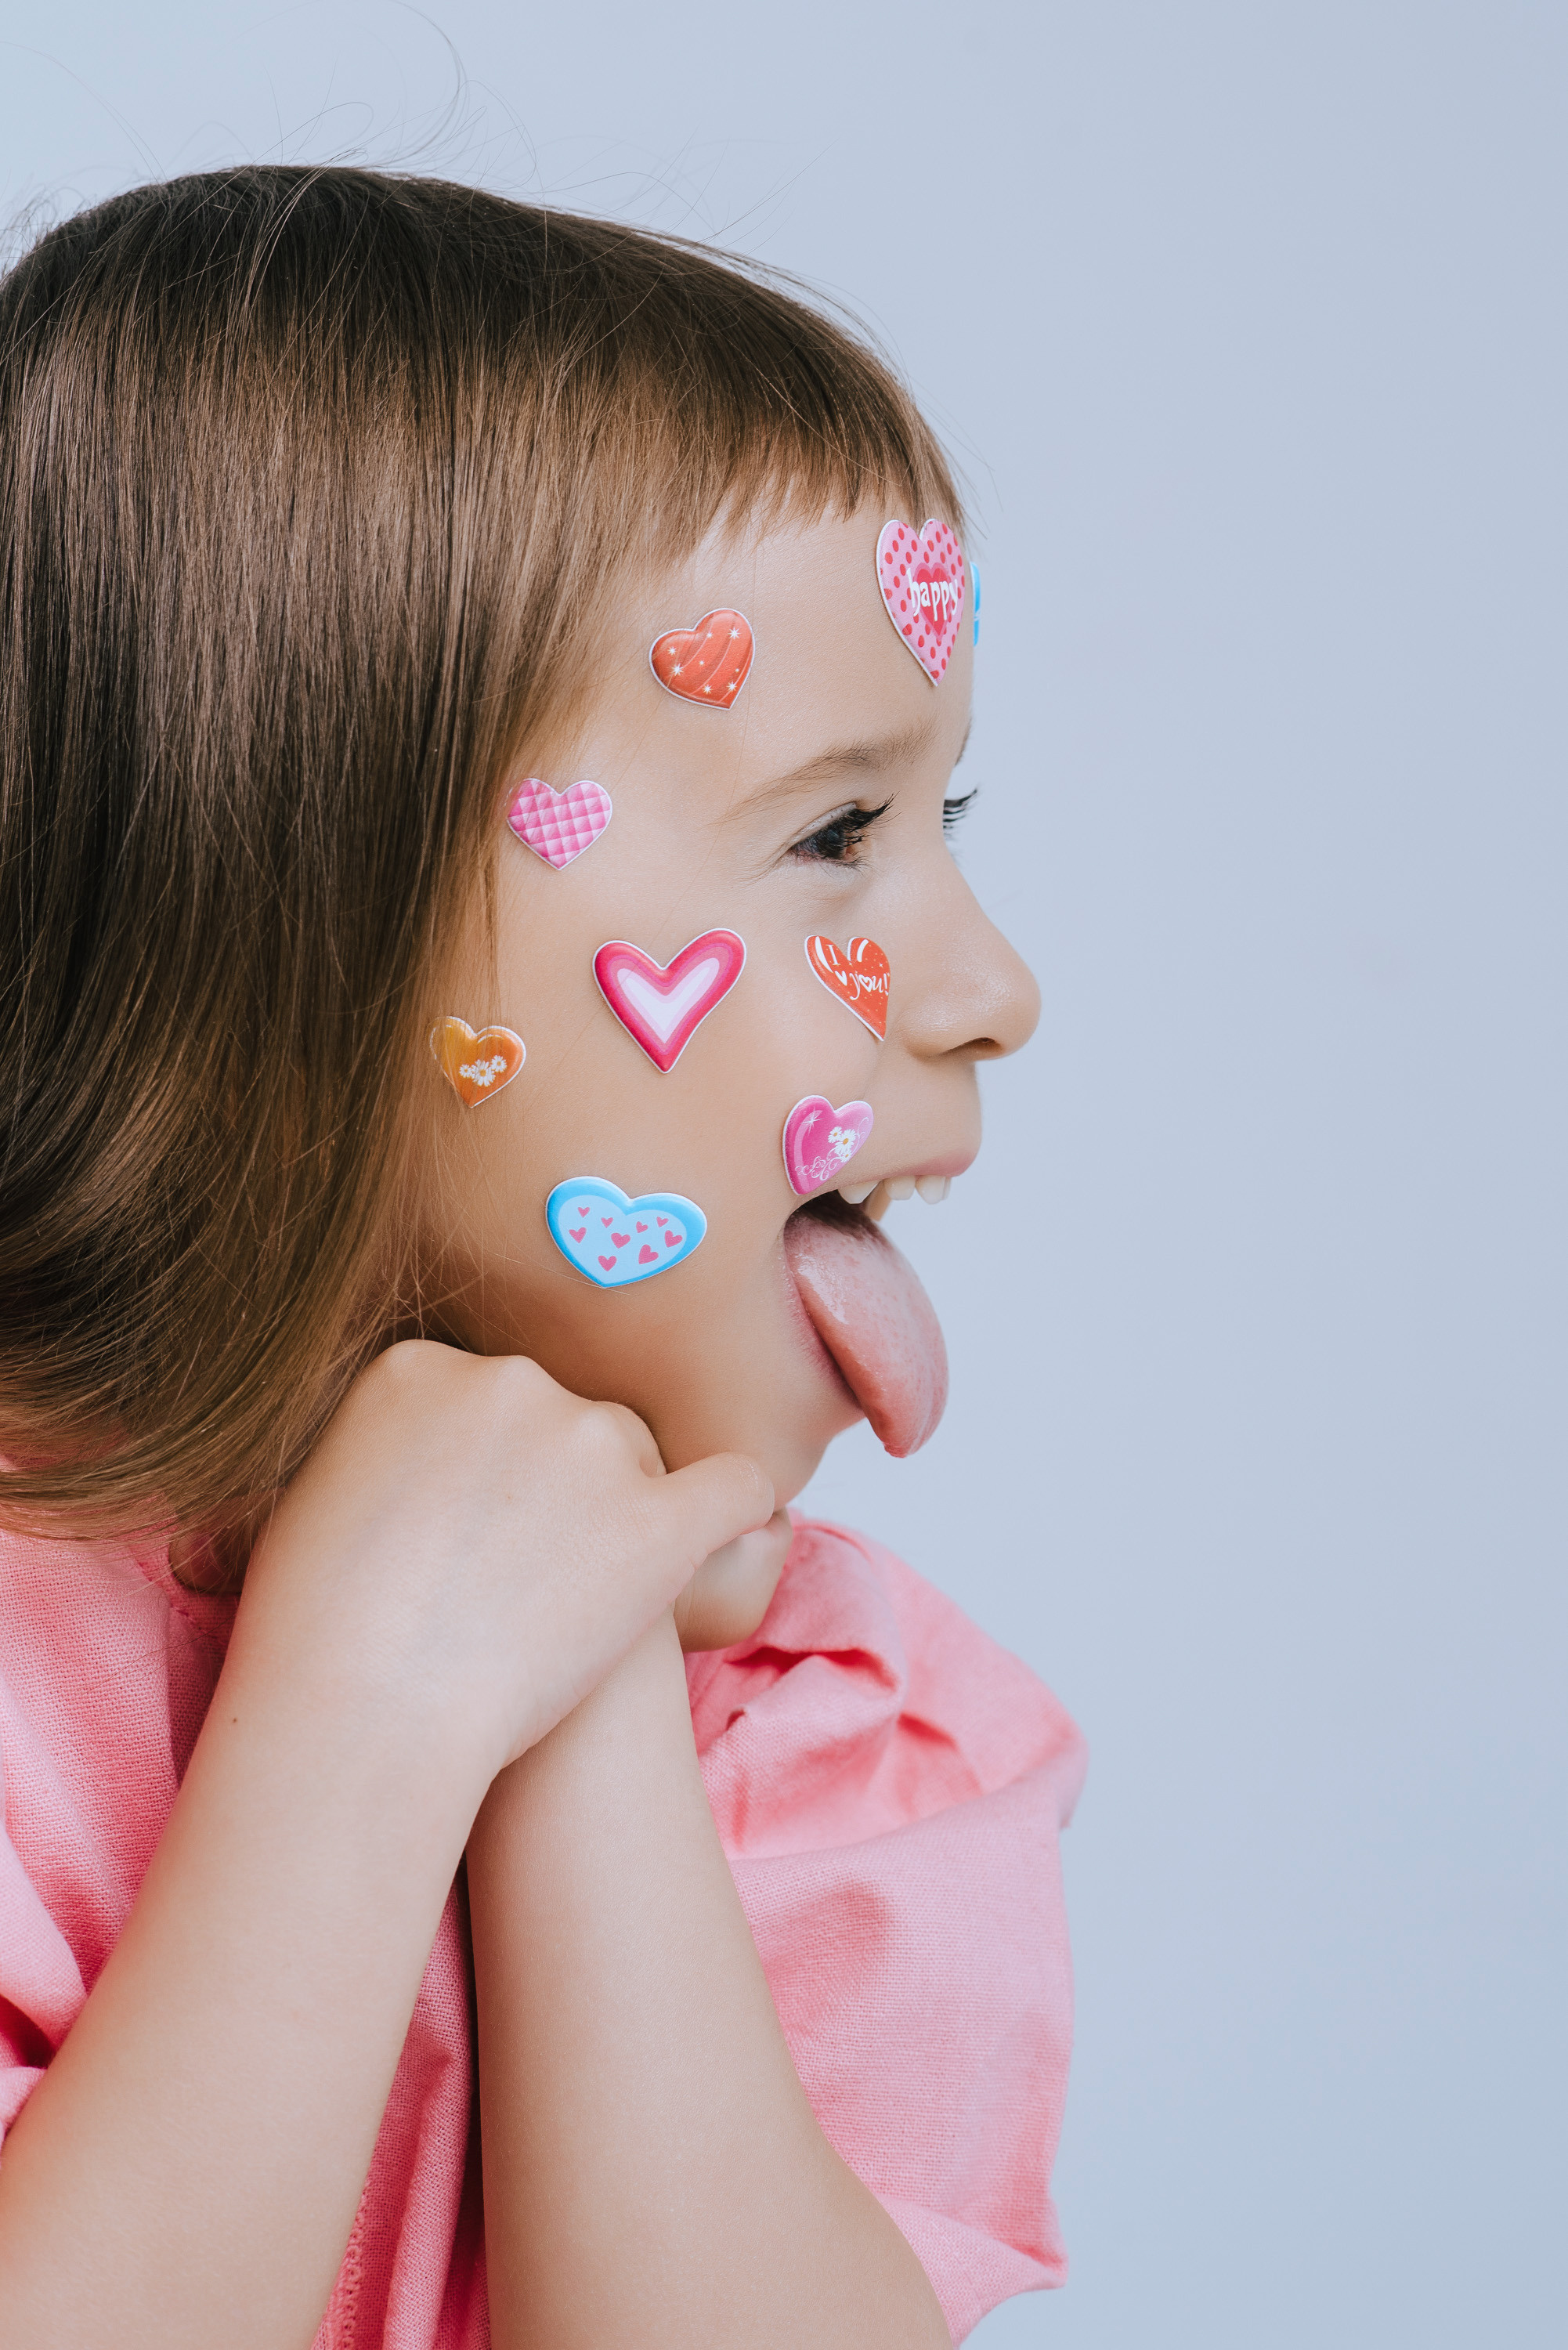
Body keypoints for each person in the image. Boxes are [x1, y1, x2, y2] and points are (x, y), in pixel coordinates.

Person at [0, 167, 1086, 2348]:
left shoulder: (839, 1753)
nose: (987, 989)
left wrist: (572, 1691)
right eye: (831, 834)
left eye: (940, 821)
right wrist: (364, 1707)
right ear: (300, 928)